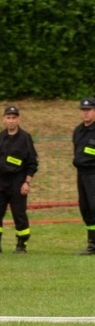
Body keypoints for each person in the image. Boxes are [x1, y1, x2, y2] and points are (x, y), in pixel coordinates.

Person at [0, 106, 39, 254]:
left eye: (14, 118)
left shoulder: (25, 138)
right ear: (3, 119)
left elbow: (32, 163)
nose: (11, 121)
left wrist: (27, 182)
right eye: (8, 118)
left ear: (18, 119)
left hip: (18, 180)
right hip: (1, 180)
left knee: (19, 213)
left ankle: (21, 245)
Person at [73, 96, 95, 255]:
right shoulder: (78, 131)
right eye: (83, 110)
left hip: (94, 173)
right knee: (85, 207)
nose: (85, 113)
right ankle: (92, 244)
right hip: (81, 174)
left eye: (89, 110)